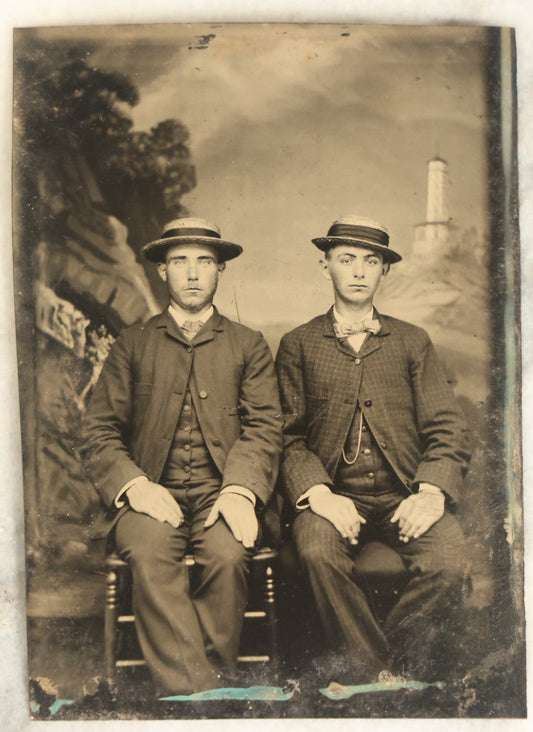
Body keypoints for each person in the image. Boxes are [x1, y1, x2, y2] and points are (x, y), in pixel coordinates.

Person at [80, 217, 282, 696]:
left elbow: (264, 427)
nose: (192, 274)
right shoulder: (132, 343)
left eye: (204, 262)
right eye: (180, 262)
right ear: (161, 273)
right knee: (149, 553)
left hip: (221, 491)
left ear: (220, 272)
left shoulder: (248, 344)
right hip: (151, 492)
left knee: (229, 555)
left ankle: (196, 691)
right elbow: (98, 430)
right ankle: (206, 695)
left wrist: (239, 492)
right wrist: (137, 487)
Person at [275, 215, 471, 684]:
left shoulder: (412, 342)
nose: (360, 271)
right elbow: (287, 436)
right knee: (318, 553)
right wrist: (319, 495)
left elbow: (448, 426)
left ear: (385, 270)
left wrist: (431, 493)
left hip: (404, 492)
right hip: (332, 496)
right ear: (326, 266)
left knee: (450, 559)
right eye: (347, 260)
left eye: (371, 261)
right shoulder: (298, 344)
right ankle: (378, 675)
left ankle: (387, 669)